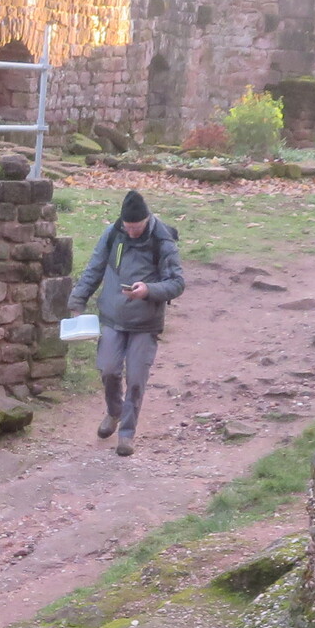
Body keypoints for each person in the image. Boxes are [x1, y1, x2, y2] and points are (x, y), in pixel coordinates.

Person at [67, 188, 184, 456]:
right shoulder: (112, 233)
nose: (131, 232)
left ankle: (126, 434)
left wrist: (149, 290)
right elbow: (95, 268)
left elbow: (177, 283)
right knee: (108, 370)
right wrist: (77, 301)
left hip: (145, 322)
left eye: (136, 227)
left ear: (147, 220)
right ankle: (114, 411)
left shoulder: (163, 240)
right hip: (112, 317)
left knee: (135, 379)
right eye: (127, 227)